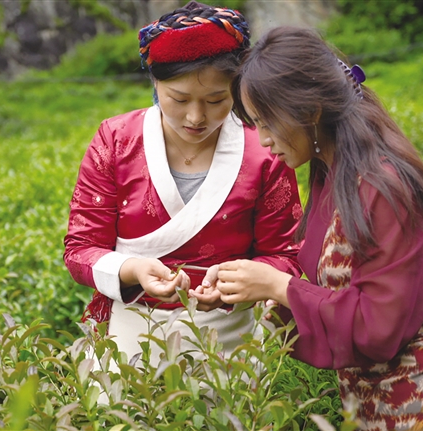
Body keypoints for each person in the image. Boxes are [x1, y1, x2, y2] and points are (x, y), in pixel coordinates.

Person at [216, 26, 423, 429]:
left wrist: (280, 286)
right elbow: (336, 301)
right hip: (368, 410)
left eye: (267, 122)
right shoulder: (332, 175)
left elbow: (378, 328)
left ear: (310, 111)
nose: (265, 140)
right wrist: (249, 295)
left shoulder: (387, 187)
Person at [63, 2, 303, 366]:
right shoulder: (116, 140)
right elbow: (81, 249)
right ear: (155, 82)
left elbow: (286, 254)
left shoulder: (264, 150)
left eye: (216, 100)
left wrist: (235, 283)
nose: (196, 117)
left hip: (231, 333)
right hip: (131, 328)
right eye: (179, 99)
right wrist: (134, 270)